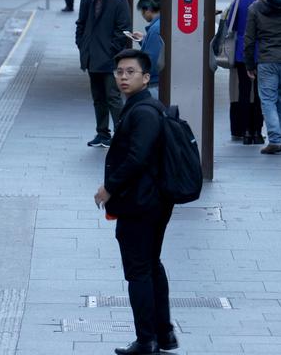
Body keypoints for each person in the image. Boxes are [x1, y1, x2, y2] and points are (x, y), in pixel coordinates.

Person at [95, 49, 178, 355]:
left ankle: (147, 340)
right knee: (151, 265)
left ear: (146, 77)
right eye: (119, 72)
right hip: (153, 202)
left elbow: (137, 157)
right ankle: (164, 334)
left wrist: (108, 188)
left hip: (141, 204)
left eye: (130, 72)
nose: (123, 77)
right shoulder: (144, 106)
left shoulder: (143, 111)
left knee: (139, 272)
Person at [76, 0, 132, 148]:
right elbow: (81, 25)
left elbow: (123, 31)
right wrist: (83, 46)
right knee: (98, 98)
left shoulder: (119, 1)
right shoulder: (87, 0)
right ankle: (102, 134)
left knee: (113, 97)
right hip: (92, 58)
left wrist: (111, 51)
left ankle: (121, 134)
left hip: (110, 59)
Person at [244, 0, 281, 155]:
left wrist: (249, 65)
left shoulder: (254, 8)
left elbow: (249, 40)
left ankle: (275, 139)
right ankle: (280, 137)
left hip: (266, 60)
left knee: (268, 100)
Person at [229, 0, 265, 145]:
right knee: (260, 93)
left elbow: (231, 24)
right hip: (263, 51)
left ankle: (244, 132)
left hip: (242, 50)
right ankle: (257, 131)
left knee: (244, 91)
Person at [131, 0, 163, 100]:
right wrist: (143, 40)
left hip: (155, 83)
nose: (142, 15)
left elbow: (152, 60)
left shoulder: (155, 29)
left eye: (142, 11)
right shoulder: (162, 24)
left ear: (148, 10)